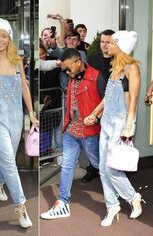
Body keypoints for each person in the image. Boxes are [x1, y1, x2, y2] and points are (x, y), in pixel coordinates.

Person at [0, 18, 38, 229]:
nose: (0, 40)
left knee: (9, 158)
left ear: (9, 37)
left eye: (4, 35)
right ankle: (21, 205)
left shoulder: (17, 60)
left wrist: (31, 112)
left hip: (16, 117)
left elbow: (24, 88)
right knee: (11, 164)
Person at [85, 30, 145, 227]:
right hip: (107, 122)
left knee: (111, 169)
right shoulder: (114, 68)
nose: (107, 46)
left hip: (121, 123)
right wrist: (94, 114)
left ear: (121, 46)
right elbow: (107, 97)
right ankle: (112, 206)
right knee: (102, 169)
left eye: (112, 43)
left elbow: (134, 98)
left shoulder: (132, 67)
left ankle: (133, 197)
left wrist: (129, 127)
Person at [40, 48, 106, 220]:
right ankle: (62, 203)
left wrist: (96, 118)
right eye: (64, 69)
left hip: (89, 132)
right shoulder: (70, 77)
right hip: (71, 130)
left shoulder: (96, 76)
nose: (66, 72)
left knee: (101, 166)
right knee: (67, 165)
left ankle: (124, 195)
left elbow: (108, 101)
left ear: (78, 62)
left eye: (68, 68)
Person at [82, 29, 115, 183]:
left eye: (108, 42)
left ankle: (115, 171)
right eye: (102, 41)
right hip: (95, 104)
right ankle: (93, 168)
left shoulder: (119, 59)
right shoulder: (92, 58)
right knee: (94, 138)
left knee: (112, 141)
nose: (104, 45)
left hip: (114, 105)